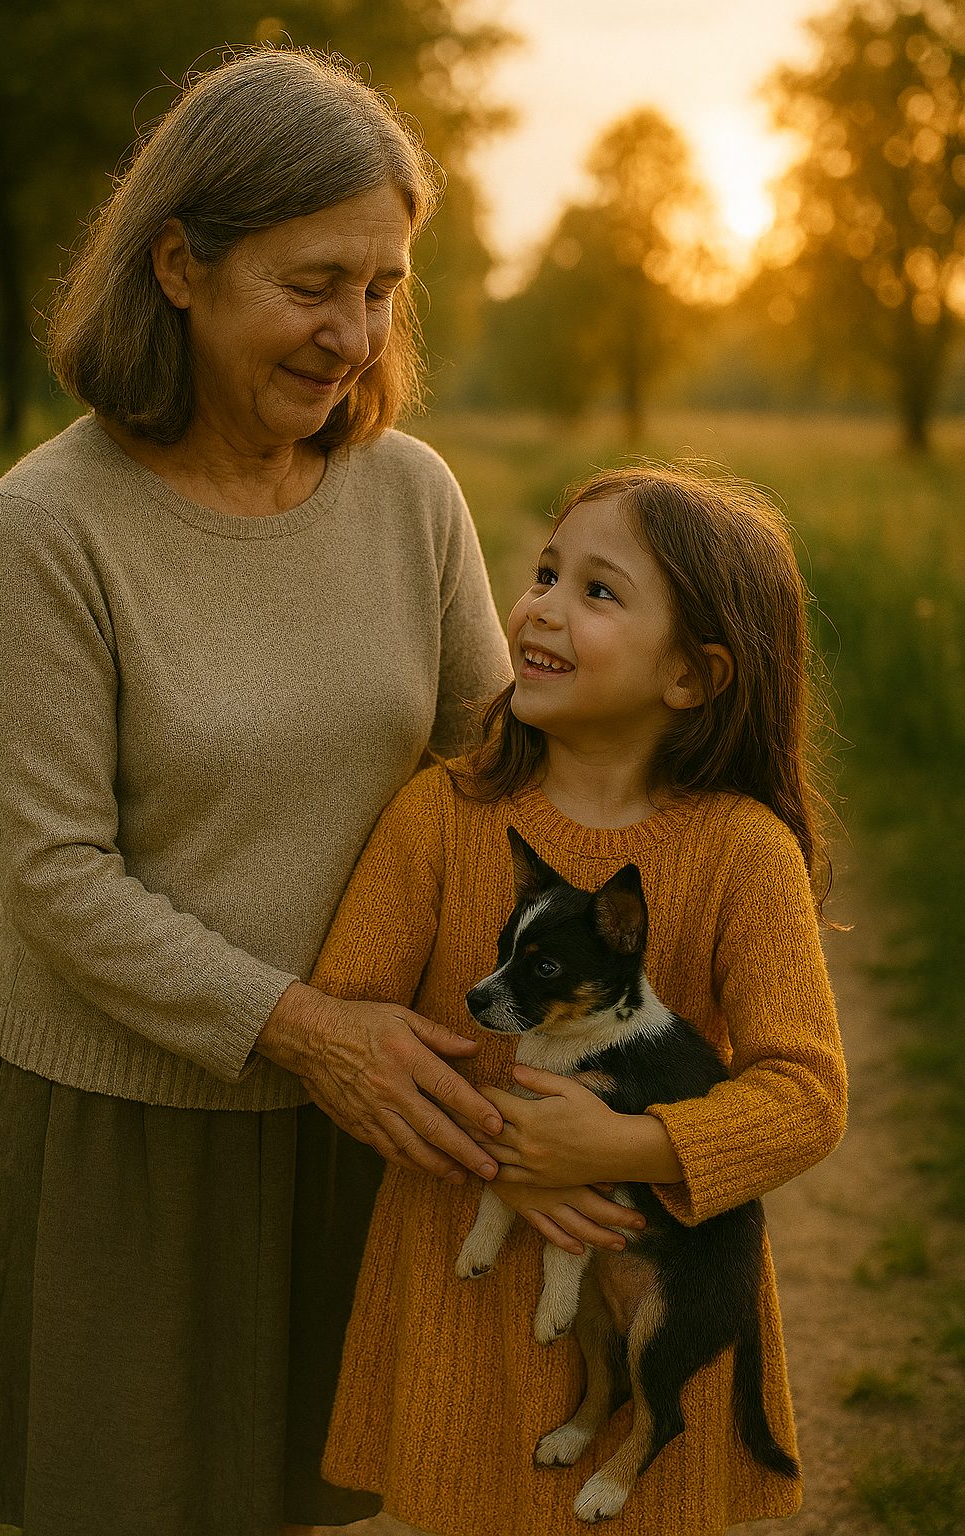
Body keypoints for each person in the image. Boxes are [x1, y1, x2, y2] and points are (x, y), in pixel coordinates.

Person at [0, 45, 514, 1536]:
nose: (355, 333)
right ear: (180, 266)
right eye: (315, 282)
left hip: (359, 1116)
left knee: (318, 1506)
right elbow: (57, 880)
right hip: (130, 1125)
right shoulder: (48, 526)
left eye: (385, 287)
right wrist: (306, 1032)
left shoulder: (412, 496)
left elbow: (494, 775)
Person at [309, 463, 849, 1536]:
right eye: (547, 571)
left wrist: (623, 1148)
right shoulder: (441, 817)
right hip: (463, 1283)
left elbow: (805, 1096)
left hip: (647, 1270)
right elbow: (349, 1022)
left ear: (692, 677)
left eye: (597, 591)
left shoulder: (743, 853)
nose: (542, 605)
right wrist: (507, 1148)